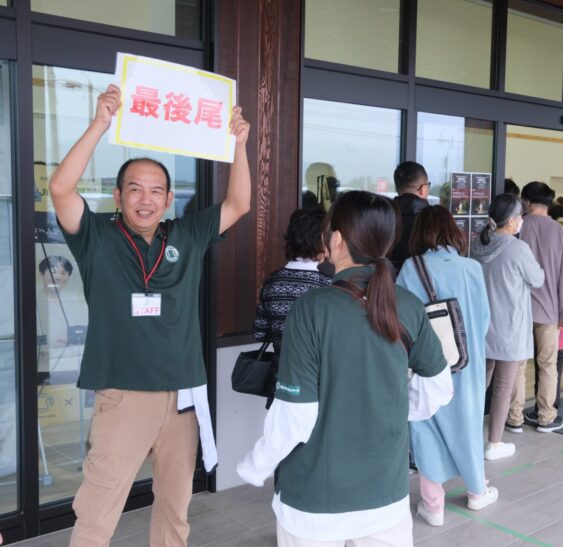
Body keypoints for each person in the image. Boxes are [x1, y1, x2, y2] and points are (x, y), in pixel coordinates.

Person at [49, 85, 251, 545]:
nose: (146, 199)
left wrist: (239, 145)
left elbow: (238, 204)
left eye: (156, 190)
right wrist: (100, 123)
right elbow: (60, 188)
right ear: (118, 196)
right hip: (123, 396)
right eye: (135, 189)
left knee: (176, 512)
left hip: (182, 398)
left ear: (168, 198)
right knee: (97, 514)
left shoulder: (187, 234)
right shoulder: (95, 235)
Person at [237, 191, 452, 546]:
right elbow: (438, 387)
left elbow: (295, 416)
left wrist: (256, 464)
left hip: (315, 501)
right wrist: (390, 410)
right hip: (386, 496)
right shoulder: (408, 305)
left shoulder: (312, 309)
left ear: (335, 239)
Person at [396, 205, 497, 527]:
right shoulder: (472, 268)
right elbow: (484, 320)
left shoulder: (412, 268)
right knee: (468, 423)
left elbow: (402, 319)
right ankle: (477, 491)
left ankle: (433, 505)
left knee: (425, 423)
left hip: (426, 363)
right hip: (468, 362)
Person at [471, 194, 544, 460]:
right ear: (512, 220)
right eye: (520, 217)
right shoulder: (517, 248)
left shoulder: (477, 244)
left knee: (478, 385)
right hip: (509, 328)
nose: (522, 220)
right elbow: (538, 279)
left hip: (481, 326)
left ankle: (467, 436)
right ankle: (494, 443)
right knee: (502, 388)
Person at [509, 182, 563, 434]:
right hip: (549, 311)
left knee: (517, 365)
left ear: (526, 202)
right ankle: (546, 417)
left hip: (519, 310)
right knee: (548, 365)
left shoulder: (516, 227)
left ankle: (514, 417)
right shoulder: (562, 233)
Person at [254, 208, 332, 356]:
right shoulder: (328, 285)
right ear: (320, 241)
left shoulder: (271, 282)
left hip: (280, 367)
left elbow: (260, 333)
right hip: (318, 369)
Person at [390, 161, 430, 271]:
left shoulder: (384, 215)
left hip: (388, 278)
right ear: (423, 188)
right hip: (424, 278)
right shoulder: (432, 219)